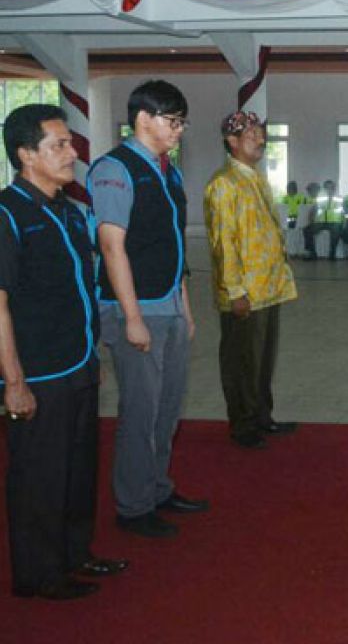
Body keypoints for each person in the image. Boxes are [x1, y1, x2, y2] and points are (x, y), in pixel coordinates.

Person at [1, 104, 127, 601]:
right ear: (26, 154)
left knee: (76, 468)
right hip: (38, 370)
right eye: (58, 145)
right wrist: (13, 381)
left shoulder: (67, 210)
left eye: (69, 143)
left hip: (78, 361)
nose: (72, 153)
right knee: (39, 474)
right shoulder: (8, 214)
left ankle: (76, 552)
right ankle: (38, 573)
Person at [88, 80, 208, 539]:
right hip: (134, 310)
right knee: (140, 410)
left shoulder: (167, 171)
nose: (179, 131)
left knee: (167, 407)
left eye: (181, 122)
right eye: (172, 121)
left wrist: (185, 307)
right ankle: (133, 505)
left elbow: (172, 247)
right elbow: (112, 247)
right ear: (143, 119)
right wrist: (132, 316)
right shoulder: (114, 170)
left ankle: (158, 486)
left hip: (169, 306)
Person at [203, 110, 299, 451]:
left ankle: (262, 415)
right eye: (252, 134)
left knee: (263, 358)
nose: (260, 140)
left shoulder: (254, 177)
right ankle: (242, 424)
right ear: (232, 141)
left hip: (267, 287)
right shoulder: (223, 184)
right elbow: (222, 243)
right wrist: (236, 291)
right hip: (244, 292)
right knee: (242, 359)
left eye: (260, 133)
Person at [305, 179, 344, 261]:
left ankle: (332, 253)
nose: (329, 189)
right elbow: (314, 209)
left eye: (331, 187)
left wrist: (343, 222)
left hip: (334, 222)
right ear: (324, 188)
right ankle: (312, 253)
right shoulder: (320, 198)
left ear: (334, 188)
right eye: (327, 187)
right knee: (307, 230)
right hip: (321, 221)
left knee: (336, 231)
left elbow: (343, 212)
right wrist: (311, 220)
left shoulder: (339, 198)